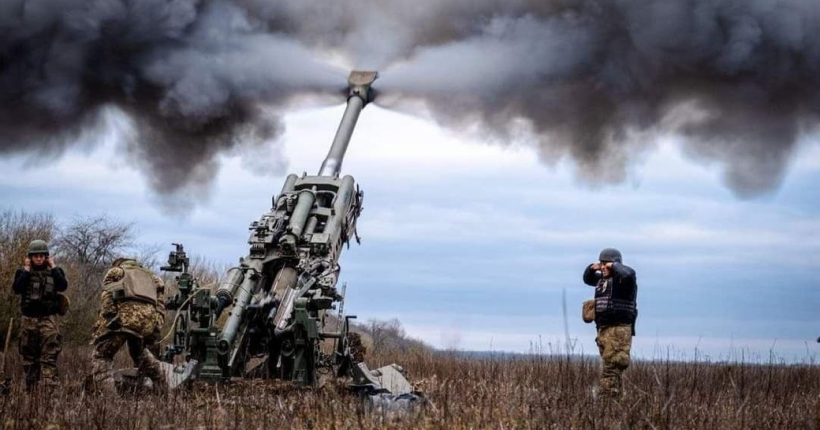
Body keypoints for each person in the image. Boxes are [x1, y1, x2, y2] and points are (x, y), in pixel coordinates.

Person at [89, 257, 166, 393]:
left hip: (124, 320)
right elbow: (160, 303)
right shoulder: (152, 277)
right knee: (140, 354)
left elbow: (107, 295)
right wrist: (155, 323)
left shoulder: (117, 272)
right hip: (145, 324)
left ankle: (110, 401)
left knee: (102, 356)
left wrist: (111, 318)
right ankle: (163, 390)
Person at [12, 239, 69, 389]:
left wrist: (54, 267)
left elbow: (63, 286)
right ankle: (31, 391)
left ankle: (51, 391)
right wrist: (25, 269)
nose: (38, 258)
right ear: (30, 257)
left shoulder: (55, 272)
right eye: (35, 256)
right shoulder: (22, 272)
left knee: (49, 355)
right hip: (28, 319)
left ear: (46, 257)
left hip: (48, 319)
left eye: (42, 256)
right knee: (29, 357)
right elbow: (17, 288)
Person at [583, 248, 637, 398]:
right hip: (603, 330)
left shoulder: (625, 282)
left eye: (606, 264)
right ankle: (615, 404)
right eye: (601, 264)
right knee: (610, 368)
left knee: (612, 368)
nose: (603, 268)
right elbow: (587, 279)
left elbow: (628, 273)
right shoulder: (602, 281)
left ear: (615, 264)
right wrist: (591, 267)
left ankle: (606, 404)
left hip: (619, 330)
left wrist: (612, 265)